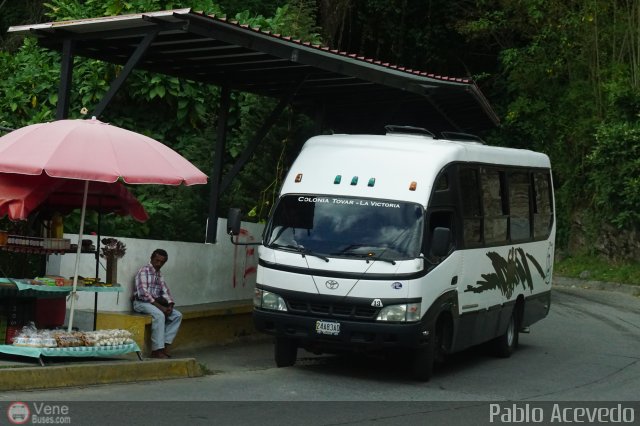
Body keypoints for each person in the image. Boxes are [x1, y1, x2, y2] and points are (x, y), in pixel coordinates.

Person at [133, 248, 182, 359]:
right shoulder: (144, 271)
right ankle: (156, 350)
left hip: (155, 304)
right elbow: (143, 293)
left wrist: (170, 305)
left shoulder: (159, 274)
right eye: (157, 260)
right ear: (151, 258)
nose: (159, 264)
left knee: (177, 315)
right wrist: (161, 308)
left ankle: (164, 346)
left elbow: (165, 291)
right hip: (141, 303)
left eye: (162, 262)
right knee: (159, 315)